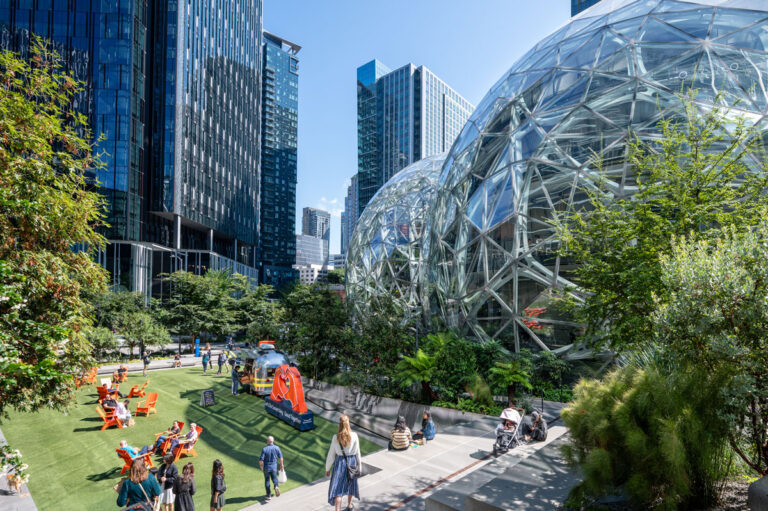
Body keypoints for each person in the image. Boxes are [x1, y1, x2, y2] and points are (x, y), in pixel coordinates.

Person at [325, 414, 360, 511]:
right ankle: (349, 505)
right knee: (350, 485)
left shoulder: (335, 437)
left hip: (340, 463)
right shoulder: (355, 436)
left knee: (337, 489)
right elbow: (358, 453)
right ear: (348, 423)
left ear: (339, 424)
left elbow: (331, 455)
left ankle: (337, 509)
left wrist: (327, 468)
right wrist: (359, 468)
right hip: (352, 462)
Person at [259, 436, 284, 501]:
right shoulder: (277, 448)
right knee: (274, 478)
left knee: (267, 480)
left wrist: (261, 466)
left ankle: (268, 495)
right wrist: (281, 465)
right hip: (274, 467)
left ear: (267, 441)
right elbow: (281, 457)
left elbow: (261, 460)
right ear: (273, 441)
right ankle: (276, 486)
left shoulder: (264, 449)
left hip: (266, 468)